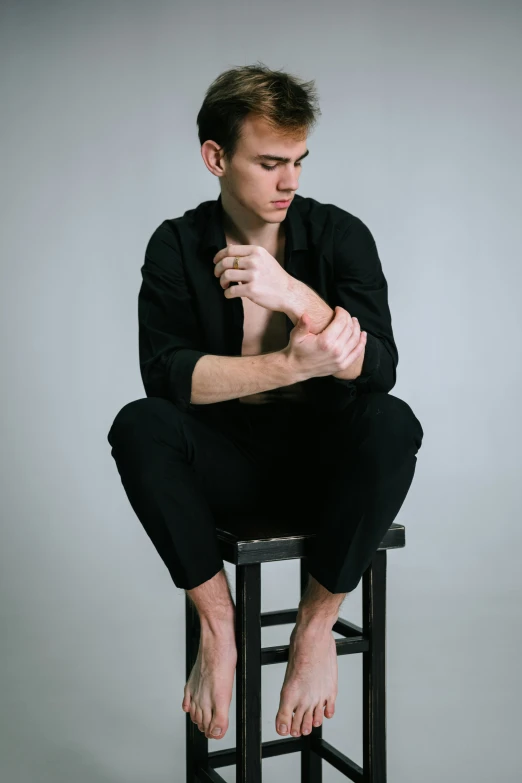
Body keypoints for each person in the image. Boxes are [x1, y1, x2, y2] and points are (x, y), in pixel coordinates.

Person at [107, 62, 424, 744]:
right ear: (215, 157)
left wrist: (296, 296)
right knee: (139, 427)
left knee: (392, 423)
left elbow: (382, 369)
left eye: (300, 162)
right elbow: (166, 378)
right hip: (223, 472)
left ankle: (315, 630)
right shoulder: (176, 245)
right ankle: (218, 628)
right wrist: (287, 363)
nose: (290, 181)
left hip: (322, 470)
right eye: (270, 162)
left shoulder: (339, 235)